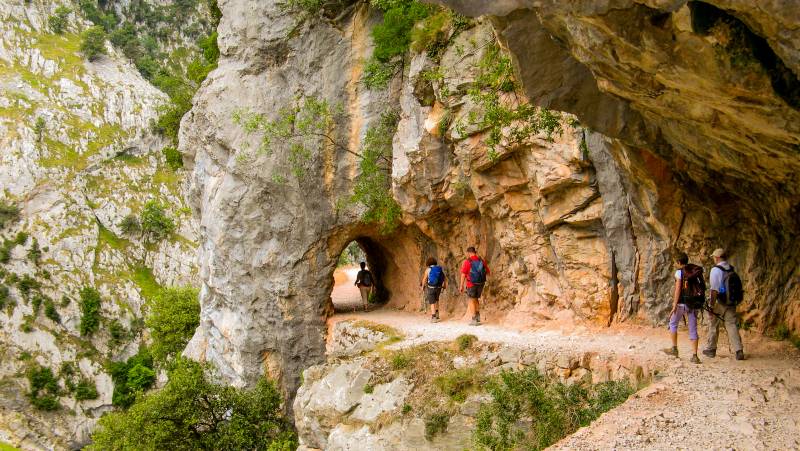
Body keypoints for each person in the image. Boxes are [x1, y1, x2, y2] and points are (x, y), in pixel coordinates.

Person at [703, 248, 744, 360]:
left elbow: (714, 290)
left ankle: (711, 349)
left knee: (713, 324)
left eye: (714, 258)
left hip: (719, 302)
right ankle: (738, 350)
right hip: (731, 301)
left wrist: (711, 306)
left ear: (717, 257)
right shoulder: (731, 268)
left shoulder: (715, 270)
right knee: (732, 325)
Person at [662, 252, 703, 364]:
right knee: (693, 328)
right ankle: (695, 356)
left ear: (679, 262)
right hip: (693, 304)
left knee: (673, 323)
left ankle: (674, 349)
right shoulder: (694, 271)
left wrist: (674, 305)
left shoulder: (679, 272)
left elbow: (678, 289)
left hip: (681, 304)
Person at [459, 246, 489, 326]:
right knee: (476, 299)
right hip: (481, 283)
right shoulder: (481, 261)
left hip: (471, 283)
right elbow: (487, 271)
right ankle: (478, 316)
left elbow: (463, 274)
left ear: (469, 253)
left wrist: (461, 285)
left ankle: (474, 319)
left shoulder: (467, 261)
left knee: (471, 300)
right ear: (475, 252)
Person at [420, 257, 447, 323]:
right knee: (437, 300)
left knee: (432, 302)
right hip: (439, 287)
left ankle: (433, 317)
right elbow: (444, 277)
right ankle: (437, 315)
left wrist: (422, 286)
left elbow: (424, 279)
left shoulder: (428, 269)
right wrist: (444, 285)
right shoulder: (439, 269)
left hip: (431, 287)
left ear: (428, 263)